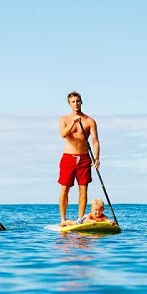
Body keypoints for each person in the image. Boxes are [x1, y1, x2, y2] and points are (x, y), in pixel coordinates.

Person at [58, 91, 101, 224]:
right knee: (65, 188)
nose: (76, 104)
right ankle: (63, 219)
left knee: (83, 189)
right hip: (68, 157)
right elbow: (63, 134)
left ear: (81, 102)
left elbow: (95, 140)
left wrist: (97, 157)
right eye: (73, 102)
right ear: (69, 104)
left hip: (84, 158)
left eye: (78, 101)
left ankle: (80, 219)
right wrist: (72, 123)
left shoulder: (89, 121)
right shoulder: (64, 119)